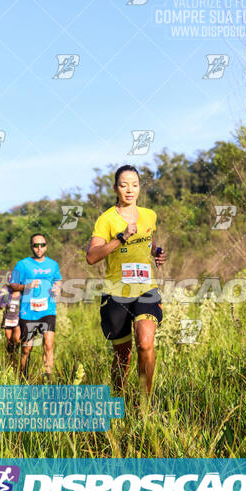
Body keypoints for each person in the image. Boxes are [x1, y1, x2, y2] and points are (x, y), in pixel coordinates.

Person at [86, 165, 166, 402]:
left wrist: (157, 252)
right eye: (123, 185)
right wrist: (120, 238)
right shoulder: (106, 219)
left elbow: (149, 241)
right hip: (116, 293)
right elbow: (92, 256)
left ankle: (144, 404)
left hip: (146, 289)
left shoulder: (149, 215)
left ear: (140, 187)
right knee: (123, 357)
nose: (129, 189)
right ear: (115, 188)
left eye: (134, 184)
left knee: (145, 343)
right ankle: (118, 401)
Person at [9, 233, 62, 382]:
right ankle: (23, 378)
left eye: (42, 245)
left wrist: (57, 289)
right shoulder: (22, 264)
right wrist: (26, 286)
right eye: (36, 245)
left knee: (49, 344)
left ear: (46, 246)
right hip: (28, 312)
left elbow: (58, 280)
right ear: (31, 246)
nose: (39, 248)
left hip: (48, 309)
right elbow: (13, 285)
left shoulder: (53, 264)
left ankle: (48, 378)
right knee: (26, 348)